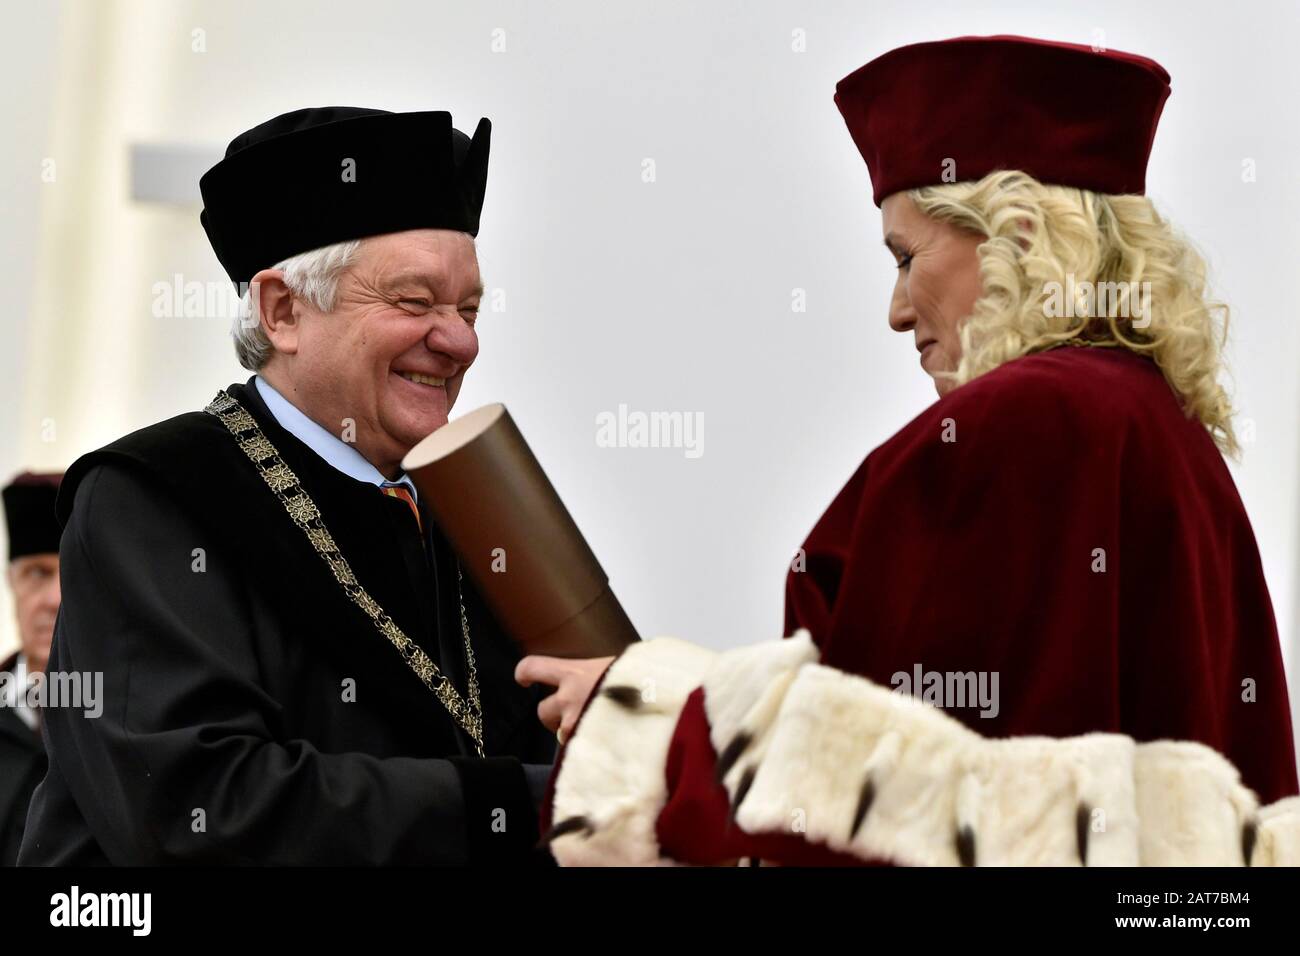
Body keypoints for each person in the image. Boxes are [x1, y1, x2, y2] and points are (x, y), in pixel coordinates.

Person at [519, 35, 1300, 866]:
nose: (896, 311)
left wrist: (636, 720)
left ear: (1021, 237)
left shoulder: (1020, 424)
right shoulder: (1158, 425)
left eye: (905, 256)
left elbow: (883, 818)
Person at [20, 107, 555, 865]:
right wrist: (516, 805)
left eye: (468, 308)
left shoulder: (476, 503)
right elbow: (199, 809)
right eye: (414, 302)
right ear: (282, 310)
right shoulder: (151, 500)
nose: (461, 339)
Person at [0, 472, 61, 864]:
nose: (55, 599)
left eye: (73, 573)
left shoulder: (137, 715)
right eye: (37, 573)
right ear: (12, 582)